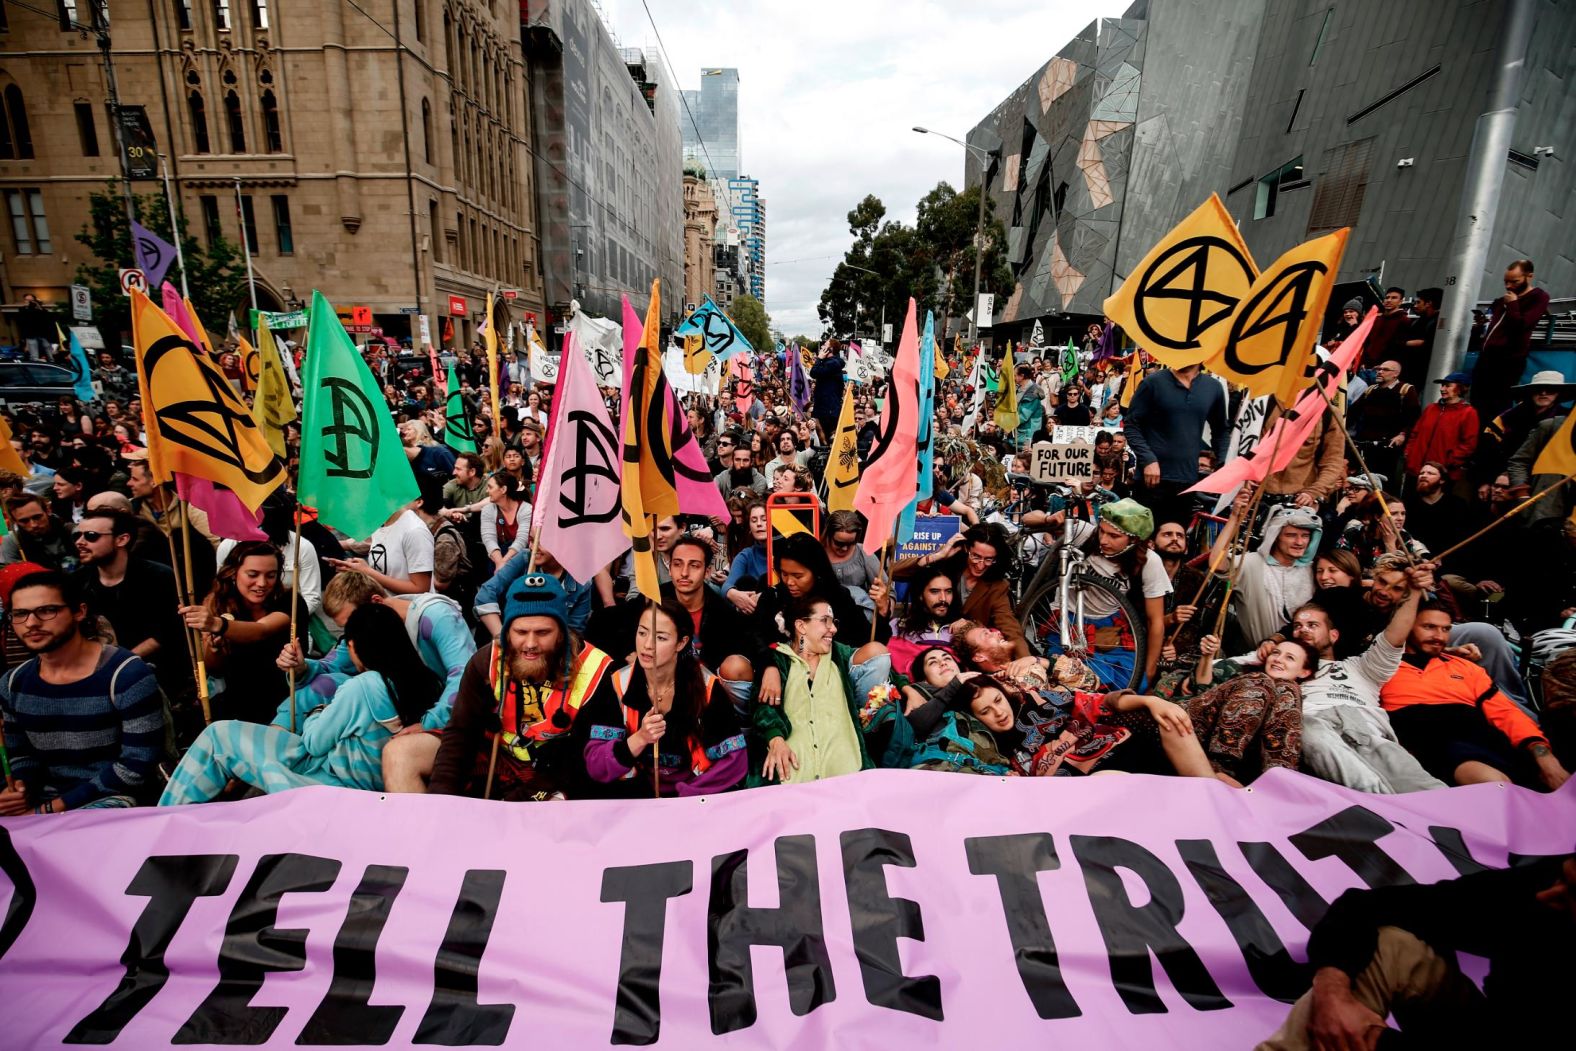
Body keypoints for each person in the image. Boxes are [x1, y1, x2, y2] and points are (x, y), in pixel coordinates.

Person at [1257, 853, 1576, 1050]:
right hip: (1493, 1024)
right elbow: (1368, 906)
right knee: (1388, 945)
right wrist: (1333, 994)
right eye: (1561, 877)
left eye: (1569, 897)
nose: (1548, 895)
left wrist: (1374, 1040)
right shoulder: (1534, 890)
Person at [160, 603, 442, 803]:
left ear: (355, 646)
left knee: (218, 737)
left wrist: (318, 713)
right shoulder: (426, 681)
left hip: (329, 787)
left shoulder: (362, 687)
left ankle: (165, 820)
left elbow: (314, 741)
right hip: (360, 782)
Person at [428, 573, 615, 800]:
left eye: (543, 632)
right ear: (507, 631)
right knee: (402, 754)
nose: (530, 644)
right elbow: (460, 734)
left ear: (562, 634)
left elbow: (587, 757)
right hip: (497, 754)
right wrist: (439, 800)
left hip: (556, 770)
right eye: (520, 632)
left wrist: (528, 796)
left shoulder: (598, 669)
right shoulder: (486, 661)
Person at [0, 571, 168, 813]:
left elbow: (135, 767)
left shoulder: (125, 675)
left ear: (79, 612)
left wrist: (50, 809)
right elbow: (21, 755)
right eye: (20, 614)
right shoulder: (12, 683)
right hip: (45, 801)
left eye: (47, 610)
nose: (31, 623)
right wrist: (19, 789)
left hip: (118, 802)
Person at [1380, 600, 1569, 790]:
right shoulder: (1380, 666)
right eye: (1429, 627)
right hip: (1431, 743)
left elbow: (1505, 712)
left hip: (1483, 736)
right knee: (1495, 785)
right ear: (1408, 626)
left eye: (1446, 629)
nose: (1439, 636)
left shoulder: (1466, 667)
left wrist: (1543, 756)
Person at [578, 598, 747, 798]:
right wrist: (640, 738)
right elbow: (597, 765)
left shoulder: (706, 687)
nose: (647, 645)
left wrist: (685, 797)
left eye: (661, 637)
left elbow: (735, 761)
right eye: (642, 633)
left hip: (693, 798)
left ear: (681, 642)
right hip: (635, 796)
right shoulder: (618, 685)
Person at [1041, 499, 1171, 687]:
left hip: (1108, 625)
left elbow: (1155, 620)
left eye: (1114, 536)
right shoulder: (1086, 535)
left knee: (1132, 683)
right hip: (1070, 617)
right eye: (1102, 531)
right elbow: (1029, 520)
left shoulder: (1149, 562)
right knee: (1070, 676)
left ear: (1134, 539)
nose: (1103, 540)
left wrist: (1150, 670)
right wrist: (1048, 519)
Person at [751, 594, 876, 785]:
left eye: (833, 622)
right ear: (801, 626)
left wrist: (906, 688)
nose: (833, 629)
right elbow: (763, 707)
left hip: (849, 778)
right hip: (791, 781)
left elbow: (881, 659)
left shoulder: (840, 656)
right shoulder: (777, 660)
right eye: (825, 621)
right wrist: (775, 739)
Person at [181, 541, 308, 724]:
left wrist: (217, 624)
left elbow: (261, 630)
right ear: (233, 573)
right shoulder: (217, 604)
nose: (262, 583)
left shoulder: (291, 601)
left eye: (271, 575)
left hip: (287, 699)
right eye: (253, 575)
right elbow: (214, 668)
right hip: (238, 703)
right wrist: (214, 648)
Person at [72, 509, 188, 695]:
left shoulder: (159, 577)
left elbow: (168, 633)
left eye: (91, 536)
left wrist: (120, 663)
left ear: (122, 539)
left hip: (157, 678)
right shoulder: (77, 582)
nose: (80, 542)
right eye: (77, 535)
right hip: (94, 679)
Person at [893, 523, 1028, 659]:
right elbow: (894, 572)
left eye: (988, 559)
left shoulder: (997, 586)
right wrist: (938, 556)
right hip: (925, 641)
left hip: (966, 656)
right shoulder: (948, 564)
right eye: (975, 556)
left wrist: (1026, 661)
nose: (981, 565)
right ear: (966, 548)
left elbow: (1009, 626)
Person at [1123, 362, 1228, 528]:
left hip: (1187, 481)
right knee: (1142, 543)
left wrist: (1223, 465)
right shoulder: (1152, 383)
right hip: (1151, 481)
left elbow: (1221, 430)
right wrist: (1148, 459)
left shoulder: (1213, 388)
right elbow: (1131, 425)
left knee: (1175, 544)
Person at [1213, 498, 1322, 651]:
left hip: (1307, 660)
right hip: (1261, 659)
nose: (1300, 542)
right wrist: (1234, 518)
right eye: (1291, 535)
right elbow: (1217, 564)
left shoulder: (1314, 569)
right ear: (1275, 536)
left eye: (1305, 536)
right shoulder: (1251, 563)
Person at [1470, 258, 1552, 421]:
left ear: (1529, 276)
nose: (1508, 286)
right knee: (1478, 401)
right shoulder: (1502, 301)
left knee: (1498, 403)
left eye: (1514, 281)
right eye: (1506, 282)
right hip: (1487, 357)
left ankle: (1494, 439)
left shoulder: (1538, 297)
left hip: (1508, 359)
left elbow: (1523, 325)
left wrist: (1513, 305)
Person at [1471, 368, 1573, 494]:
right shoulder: (1507, 418)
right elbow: (1486, 452)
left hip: (1546, 486)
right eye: (1538, 389)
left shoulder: (1567, 421)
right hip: (1501, 484)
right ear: (1530, 392)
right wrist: (1485, 481)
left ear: (1559, 393)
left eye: (1550, 389)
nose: (1544, 393)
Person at [328, 500, 435, 595]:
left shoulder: (415, 531)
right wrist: (357, 569)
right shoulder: (380, 523)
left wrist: (368, 572)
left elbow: (420, 588)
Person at [1405, 372, 1478, 490]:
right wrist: (1409, 454)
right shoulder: (1431, 408)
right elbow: (1415, 433)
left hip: (1442, 475)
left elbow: (1468, 445)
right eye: (1442, 385)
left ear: (1460, 388)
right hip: (1416, 470)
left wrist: (1448, 462)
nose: (1442, 389)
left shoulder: (1468, 413)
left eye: (1447, 385)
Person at [1403, 461, 1466, 554]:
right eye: (1421, 473)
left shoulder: (1457, 505)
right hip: (1415, 557)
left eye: (1430, 473)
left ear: (1442, 480)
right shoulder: (1408, 504)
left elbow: (1460, 537)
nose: (1423, 476)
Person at [1, 494, 78, 571]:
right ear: (15, 521)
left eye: (37, 517)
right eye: (24, 521)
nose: (33, 525)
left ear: (48, 511)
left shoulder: (72, 531)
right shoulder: (14, 542)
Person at [823, 511, 882, 594]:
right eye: (839, 543)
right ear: (828, 536)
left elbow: (887, 591)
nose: (844, 548)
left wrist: (885, 601)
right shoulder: (818, 553)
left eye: (850, 543)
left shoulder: (864, 552)